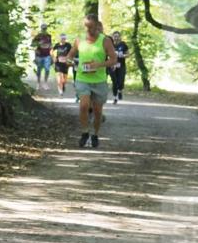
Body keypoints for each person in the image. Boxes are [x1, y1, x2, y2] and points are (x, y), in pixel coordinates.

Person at [62, 15, 118, 148]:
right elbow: (70, 56)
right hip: (82, 78)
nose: (89, 30)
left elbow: (114, 59)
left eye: (91, 27)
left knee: (98, 112)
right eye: (86, 27)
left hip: (99, 80)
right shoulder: (79, 40)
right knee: (84, 105)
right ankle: (85, 132)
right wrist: (69, 62)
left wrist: (98, 65)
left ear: (97, 25)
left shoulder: (105, 41)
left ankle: (95, 134)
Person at [108, 31, 130, 103]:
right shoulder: (109, 44)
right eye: (115, 36)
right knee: (114, 82)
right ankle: (115, 97)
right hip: (112, 66)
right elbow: (105, 54)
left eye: (117, 36)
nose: (116, 38)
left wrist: (122, 55)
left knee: (120, 81)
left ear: (120, 37)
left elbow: (128, 54)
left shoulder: (123, 44)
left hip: (121, 66)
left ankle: (120, 90)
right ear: (112, 37)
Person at [31, 23, 53, 90]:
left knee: (47, 69)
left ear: (46, 29)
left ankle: (45, 83)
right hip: (39, 55)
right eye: (43, 28)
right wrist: (38, 43)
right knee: (39, 70)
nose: (44, 29)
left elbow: (50, 45)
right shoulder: (38, 36)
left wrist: (52, 54)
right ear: (41, 29)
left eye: (45, 28)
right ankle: (38, 83)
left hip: (47, 55)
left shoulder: (49, 36)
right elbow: (32, 44)